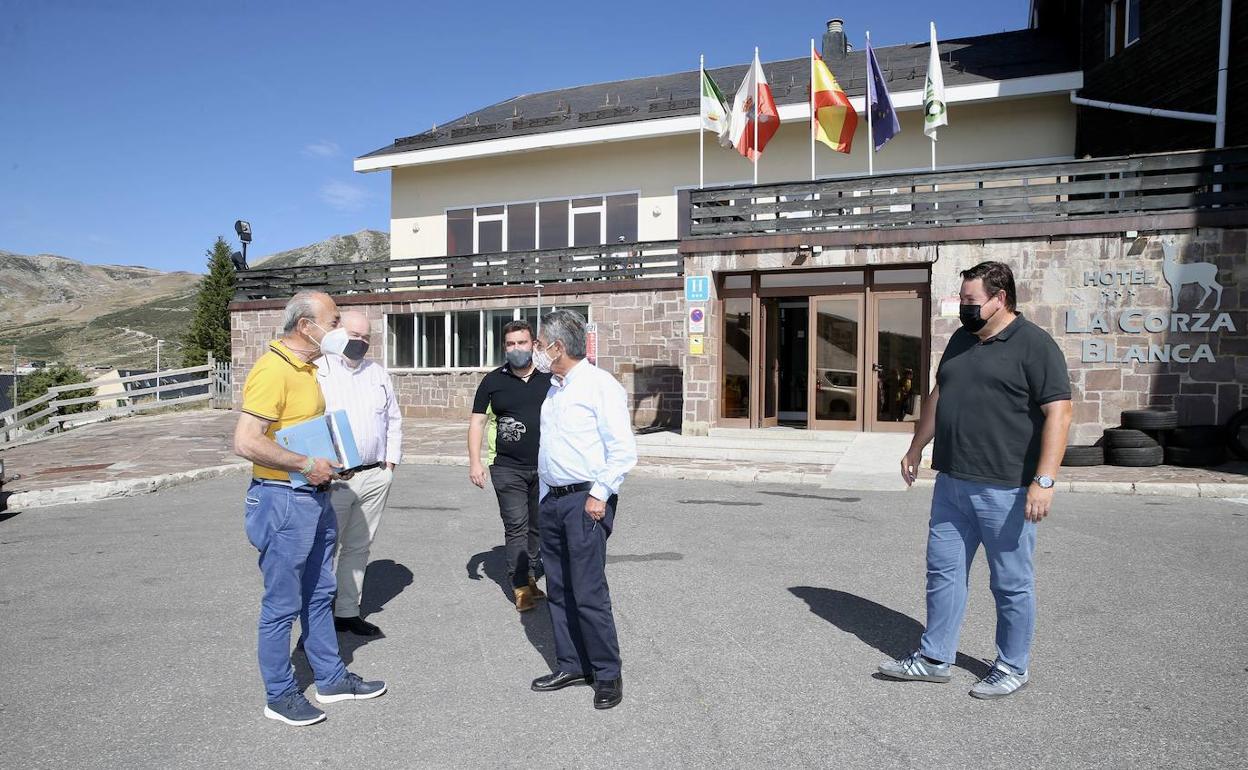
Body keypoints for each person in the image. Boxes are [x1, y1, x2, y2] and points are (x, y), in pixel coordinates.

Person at [883, 261, 1072, 699]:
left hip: (1006, 487)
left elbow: (1059, 413)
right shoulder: (961, 341)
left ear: (999, 298)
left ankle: (1011, 666)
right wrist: (916, 448)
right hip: (952, 482)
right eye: (962, 300)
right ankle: (934, 658)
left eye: (970, 301)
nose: (963, 309)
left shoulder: (1035, 346)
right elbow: (939, 394)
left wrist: (1044, 480)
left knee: (1010, 582)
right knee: (943, 574)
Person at [234, 291, 386, 726]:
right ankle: (279, 695)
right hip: (283, 500)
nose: (339, 329)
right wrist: (305, 463)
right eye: (333, 320)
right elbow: (246, 440)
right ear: (306, 325)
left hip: (313, 495)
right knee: (282, 604)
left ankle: (331, 679)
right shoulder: (272, 370)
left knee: (320, 593)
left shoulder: (308, 369)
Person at [528, 310, 637, 710]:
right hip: (554, 500)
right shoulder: (554, 387)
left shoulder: (598, 385)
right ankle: (573, 663)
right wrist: (544, 495)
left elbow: (623, 450)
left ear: (559, 346)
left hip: (585, 500)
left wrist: (600, 494)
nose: (537, 350)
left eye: (540, 343)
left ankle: (607, 673)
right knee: (558, 588)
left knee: (589, 591)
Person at [316, 310, 403, 637]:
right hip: (334, 481)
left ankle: (347, 612)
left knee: (359, 547)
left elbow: (393, 419)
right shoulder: (319, 371)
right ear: (338, 333)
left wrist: (389, 465)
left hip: (374, 476)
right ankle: (318, 621)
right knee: (324, 550)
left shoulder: (377, 373)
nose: (361, 343)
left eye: (367, 337)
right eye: (355, 336)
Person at [468, 319, 552, 612]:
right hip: (506, 467)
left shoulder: (550, 379)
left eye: (522, 342)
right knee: (516, 525)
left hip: (545, 467)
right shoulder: (493, 381)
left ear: (534, 345)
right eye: (511, 344)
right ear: (504, 347)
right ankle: (519, 585)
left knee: (537, 525)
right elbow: (477, 422)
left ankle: (529, 573)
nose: (517, 348)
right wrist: (475, 462)